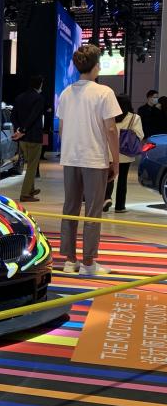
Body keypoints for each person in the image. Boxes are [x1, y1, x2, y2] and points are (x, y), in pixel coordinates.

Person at [57, 45, 120, 276]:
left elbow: (62, 128)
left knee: (70, 208)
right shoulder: (104, 92)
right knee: (93, 212)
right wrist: (115, 161)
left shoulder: (66, 93)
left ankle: (70, 260)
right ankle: (88, 263)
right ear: (95, 66)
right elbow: (111, 130)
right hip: (94, 158)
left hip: (71, 157)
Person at [103, 95, 143, 214]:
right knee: (122, 179)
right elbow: (140, 135)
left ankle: (106, 198)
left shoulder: (109, 116)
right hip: (126, 154)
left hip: (110, 151)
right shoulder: (135, 118)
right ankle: (120, 206)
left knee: (109, 177)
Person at [11, 75, 45, 202]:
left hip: (22, 139)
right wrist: (23, 130)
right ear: (40, 84)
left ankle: (31, 189)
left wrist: (19, 130)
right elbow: (33, 117)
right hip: (34, 137)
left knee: (30, 164)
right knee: (32, 166)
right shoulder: (39, 98)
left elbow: (13, 116)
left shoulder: (19, 97)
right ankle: (25, 194)